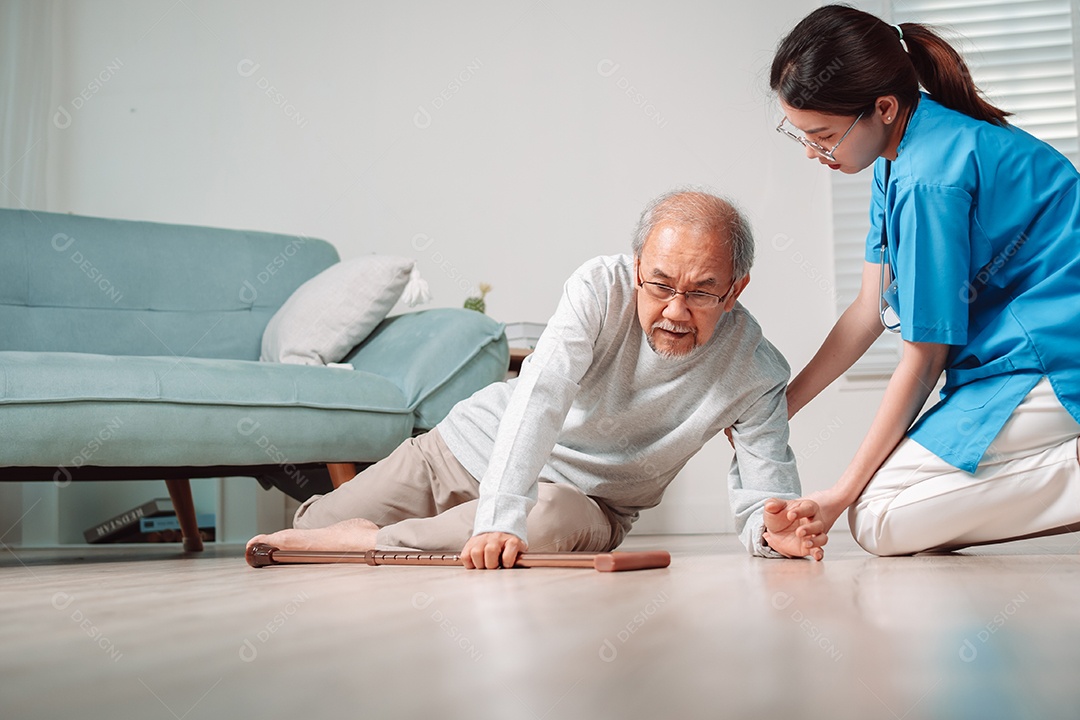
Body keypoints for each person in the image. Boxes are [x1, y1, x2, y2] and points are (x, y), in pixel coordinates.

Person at [247, 190, 827, 567]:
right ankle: (358, 533)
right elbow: (541, 393)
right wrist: (499, 515)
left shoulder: (755, 371)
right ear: (635, 269)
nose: (676, 310)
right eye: (660, 284)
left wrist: (776, 535)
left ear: (736, 291)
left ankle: (370, 544)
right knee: (305, 532)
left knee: (541, 520)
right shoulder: (599, 288)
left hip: (584, 502)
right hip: (466, 448)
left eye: (701, 292)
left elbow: (765, 498)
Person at [769, 5, 1080, 555]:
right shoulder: (898, 154)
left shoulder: (928, 178)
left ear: (883, 107)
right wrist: (779, 410)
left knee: (878, 516)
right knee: (884, 511)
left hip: (1053, 357)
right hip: (1010, 360)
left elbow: (924, 357)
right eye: (801, 137)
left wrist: (841, 493)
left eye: (823, 136)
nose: (815, 153)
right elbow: (868, 310)